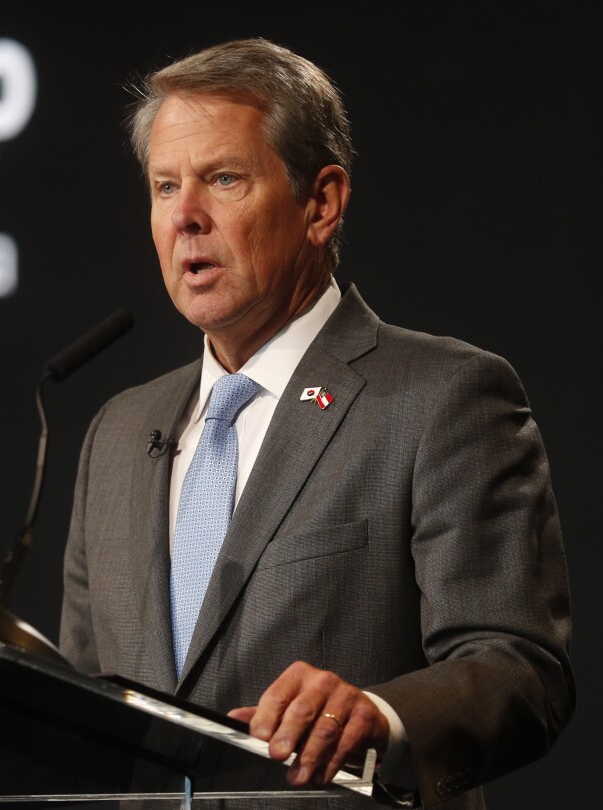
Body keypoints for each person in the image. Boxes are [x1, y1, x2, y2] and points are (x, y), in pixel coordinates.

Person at [58, 38, 573, 808]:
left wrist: (383, 716)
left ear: (321, 203)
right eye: (166, 187)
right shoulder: (118, 435)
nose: (186, 218)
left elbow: (519, 669)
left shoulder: (441, 397)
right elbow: (76, 714)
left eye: (222, 179)